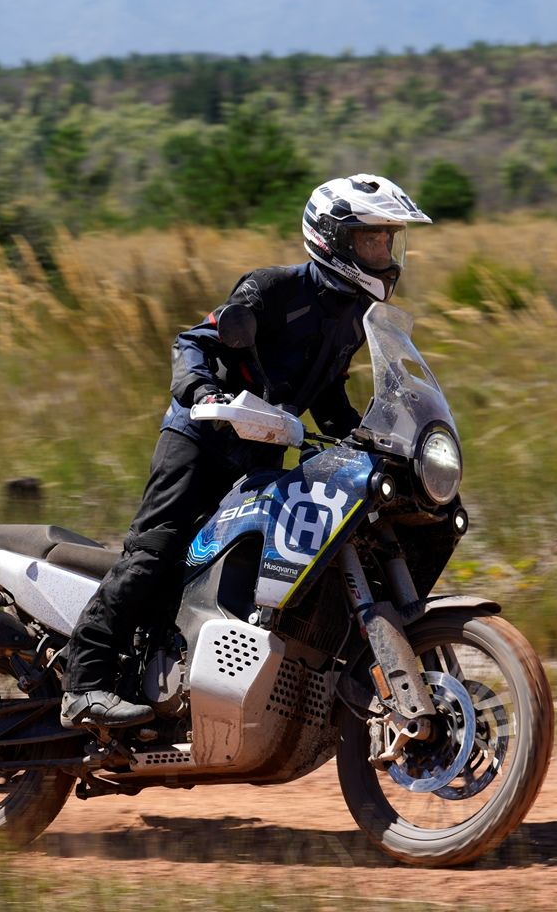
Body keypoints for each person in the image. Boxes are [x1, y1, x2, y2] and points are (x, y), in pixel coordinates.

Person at [60, 173, 434, 730]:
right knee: (156, 551)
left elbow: (326, 394)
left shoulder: (353, 319)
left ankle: (183, 670)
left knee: (239, 564)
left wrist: (375, 438)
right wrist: (201, 392)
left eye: (388, 241)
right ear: (333, 238)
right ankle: (83, 685)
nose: (383, 253)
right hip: (202, 436)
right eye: (372, 240)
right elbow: (196, 341)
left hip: (261, 451)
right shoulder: (275, 289)